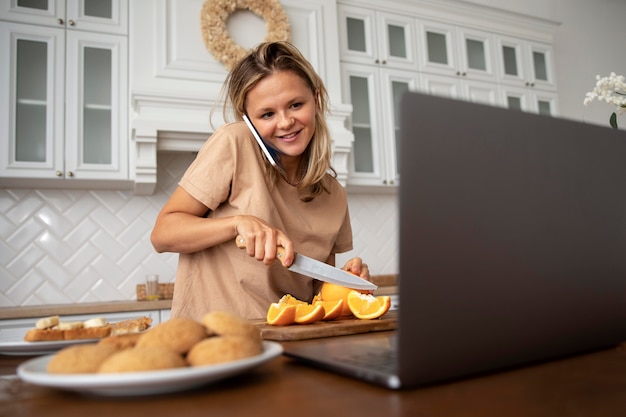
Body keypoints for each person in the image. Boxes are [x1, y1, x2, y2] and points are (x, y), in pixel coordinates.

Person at [150, 41, 370, 320]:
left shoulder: (333, 194)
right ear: (249, 119)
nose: (286, 122)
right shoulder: (234, 142)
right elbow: (162, 234)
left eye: (295, 105)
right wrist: (237, 224)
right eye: (267, 114)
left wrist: (347, 285)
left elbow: (317, 297)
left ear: (315, 100)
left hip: (292, 344)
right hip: (217, 341)